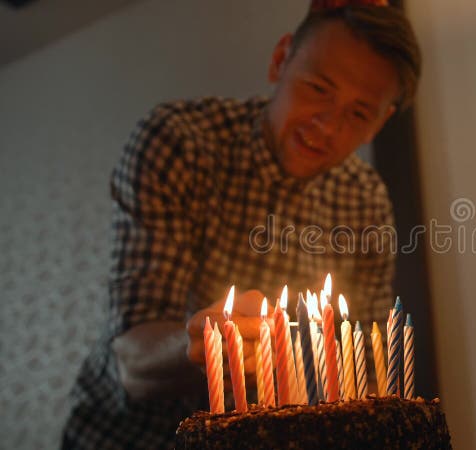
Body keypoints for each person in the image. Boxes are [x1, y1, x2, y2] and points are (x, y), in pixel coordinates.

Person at [61, 2, 421, 448]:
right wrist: (202, 344)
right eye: (318, 88)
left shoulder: (366, 203)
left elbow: (361, 361)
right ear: (280, 60)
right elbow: (131, 361)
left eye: (358, 113)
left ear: (379, 124)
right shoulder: (181, 143)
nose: (327, 126)